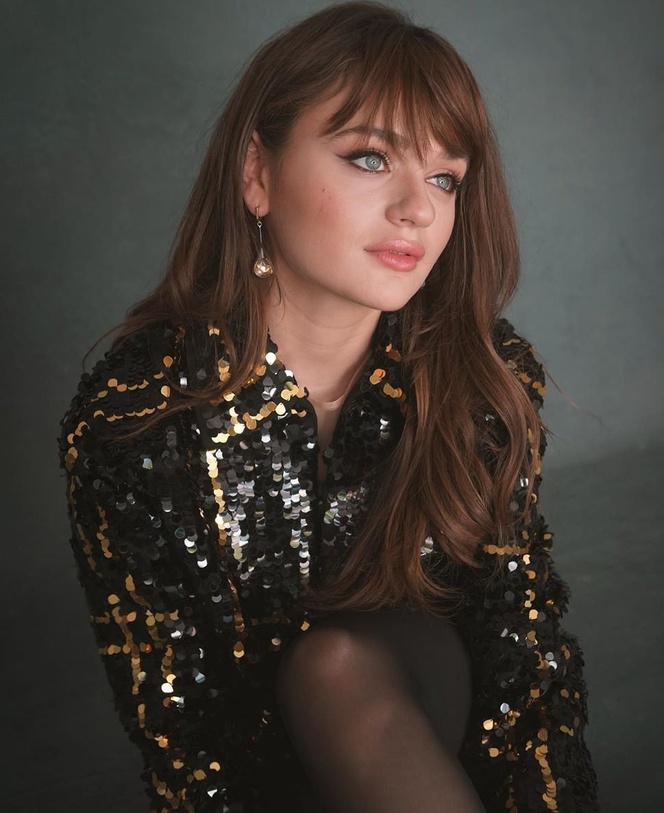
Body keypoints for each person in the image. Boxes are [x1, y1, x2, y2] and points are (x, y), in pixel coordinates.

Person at [57, 2, 599, 811]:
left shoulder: (480, 379)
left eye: (445, 178)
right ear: (257, 173)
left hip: (426, 719)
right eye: (371, 159)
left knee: (335, 665)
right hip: (261, 779)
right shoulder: (138, 419)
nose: (419, 208)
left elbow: (522, 660)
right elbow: (181, 733)